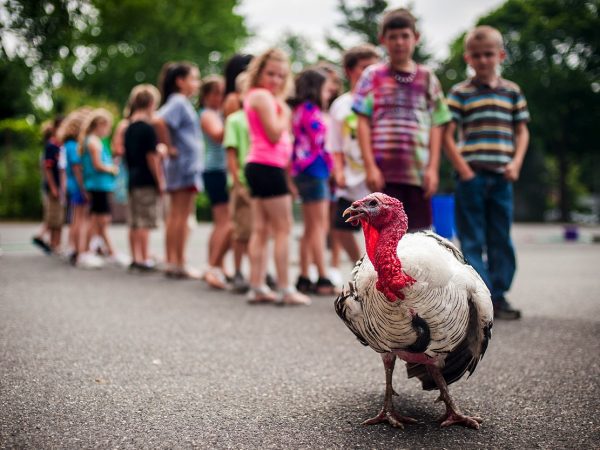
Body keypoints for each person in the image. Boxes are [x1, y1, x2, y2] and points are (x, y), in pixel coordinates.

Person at [444, 25, 530, 320]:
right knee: (471, 239)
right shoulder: (460, 93)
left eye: (489, 54)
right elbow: (447, 134)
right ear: (468, 58)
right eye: (477, 56)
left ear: (500, 55)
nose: (483, 60)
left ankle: (500, 294)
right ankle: (481, 297)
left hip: (502, 175)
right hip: (472, 175)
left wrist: (516, 163)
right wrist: (463, 169)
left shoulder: (512, 91)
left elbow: (522, 131)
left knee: (500, 236)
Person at [353, 8, 452, 231]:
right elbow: (362, 121)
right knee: (383, 235)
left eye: (405, 36)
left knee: (419, 237)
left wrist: (433, 168)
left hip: (417, 172)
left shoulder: (427, 77)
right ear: (383, 40)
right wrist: (370, 167)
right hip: (383, 173)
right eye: (393, 37)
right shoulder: (372, 75)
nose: (399, 42)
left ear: (415, 38)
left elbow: (438, 123)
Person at [243, 48, 311, 305]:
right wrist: (284, 114)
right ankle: (285, 288)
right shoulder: (263, 97)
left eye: (281, 76)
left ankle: (257, 285)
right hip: (266, 166)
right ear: (259, 72)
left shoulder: (258, 96)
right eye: (271, 73)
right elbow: (273, 134)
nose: (276, 80)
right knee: (283, 229)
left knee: (261, 230)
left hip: (260, 166)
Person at [329, 44, 380, 265]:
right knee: (341, 226)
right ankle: (359, 263)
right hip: (351, 176)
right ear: (350, 70)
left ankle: (379, 268)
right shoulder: (341, 105)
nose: (371, 73)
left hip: (378, 175)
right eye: (365, 67)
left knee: (380, 228)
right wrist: (338, 170)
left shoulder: (380, 101)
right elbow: (335, 144)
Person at [154, 61, 204, 279]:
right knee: (180, 215)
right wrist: (170, 146)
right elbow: (158, 120)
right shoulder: (179, 102)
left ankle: (172, 260)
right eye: (194, 78)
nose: (197, 83)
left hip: (180, 165)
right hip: (184, 165)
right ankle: (178, 261)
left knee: (177, 214)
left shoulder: (180, 103)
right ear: (180, 81)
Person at [290, 69, 336, 295]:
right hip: (316, 170)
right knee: (319, 226)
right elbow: (322, 144)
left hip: (300, 170)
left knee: (309, 227)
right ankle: (323, 276)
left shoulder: (297, 111)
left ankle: (304, 275)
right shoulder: (313, 111)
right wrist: (333, 168)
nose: (328, 94)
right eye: (326, 89)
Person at [123, 84, 165, 272]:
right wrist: (160, 180)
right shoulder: (147, 128)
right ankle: (143, 257)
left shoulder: (128, 127)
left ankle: (135, 256)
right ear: (150, 103)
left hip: (132, 177)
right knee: (144, 222)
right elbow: (152, 157)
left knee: (134, 221)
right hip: (146, 179)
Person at [79, 108, 125, 266]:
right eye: (107, 127)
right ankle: (85, 253)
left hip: (100, 185)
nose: (108, 131)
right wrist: (112, 168)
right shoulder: (93, 142)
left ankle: (107, 251)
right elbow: (98, 165)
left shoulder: (93, 141)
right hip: (98, 185)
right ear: (100, 124)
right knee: (98, 220)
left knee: (100, 220)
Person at [198, 75, 232, 289]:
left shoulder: (218, 113)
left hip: (220, 170)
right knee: (223, 221)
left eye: (222, 93)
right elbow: (219, 136)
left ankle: (217, 263)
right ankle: (213, 265)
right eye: (215, 93)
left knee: (222, 221)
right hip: (215, 170)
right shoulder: (208, 114)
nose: (219, 97)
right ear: (206, 96)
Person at [223, 72, 252, 294]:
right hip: (242, 182)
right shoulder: (235, 119)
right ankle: (238, 270)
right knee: (241, 230)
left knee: (258, 229)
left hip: (260, 182)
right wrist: (236, 181)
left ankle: (257, 269)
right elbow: (231, 153)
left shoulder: (261, 118)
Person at [57, 107, 93, 265]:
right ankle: (79, 251)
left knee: (74, 218)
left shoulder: (67, 144)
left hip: (71, 185)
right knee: (80, 218)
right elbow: (77, 168)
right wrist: (83, 188)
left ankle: (73, 248)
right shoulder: (73, 145)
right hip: (78, 185)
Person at [37, 117, 65, 253]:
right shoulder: (51, 146)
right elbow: (47, 168)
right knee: (54, 217)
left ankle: (55, 243)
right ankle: (53, 243)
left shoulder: (60, 146)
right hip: (54, 188)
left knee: (59, 218)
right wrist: (53, 187)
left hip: (61, 187)